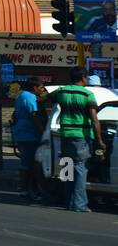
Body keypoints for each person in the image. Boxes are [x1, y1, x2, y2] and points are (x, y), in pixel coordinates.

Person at [44, 67, 105, 212]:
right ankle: (79, 204)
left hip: (65, 135)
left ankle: (68, 202)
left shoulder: (61, 91)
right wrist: (100, 141)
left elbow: (43, 99)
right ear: (83, 78)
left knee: (67, 168)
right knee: (80, 169)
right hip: (81, 136)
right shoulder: (87, 94)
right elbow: (94, 119)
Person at [10, 77, 46, 201]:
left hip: (22, 132)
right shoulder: (30, 97)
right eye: (41, 88)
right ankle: (28, 190)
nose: (42, 90)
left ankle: (27, 189)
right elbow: (34, 116)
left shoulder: (21, 96)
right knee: (29, 163)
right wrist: (43, 133)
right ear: (34, 88)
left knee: (28, 162)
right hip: (29, 134)